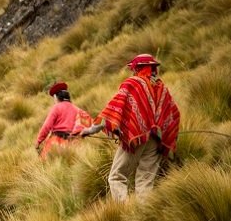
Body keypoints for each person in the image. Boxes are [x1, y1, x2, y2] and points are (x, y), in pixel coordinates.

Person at [97, 53, 181, 201]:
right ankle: (144, 216)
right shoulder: (162, 88)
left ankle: (124, 210)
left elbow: (117, 106)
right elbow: (174, 113)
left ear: (138, 68)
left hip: (136, 137)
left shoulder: (132, 83)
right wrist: (164, 131)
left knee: (117, 177)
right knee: (145, 181)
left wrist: (112, 126)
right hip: (156, 141)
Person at [35, 81, 93, 160]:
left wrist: (39, 141)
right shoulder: (77, 109)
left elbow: (46, 126)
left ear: (56, 97)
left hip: (56, 143)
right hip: (73, 144)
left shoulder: (56, 108)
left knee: (45, 164)